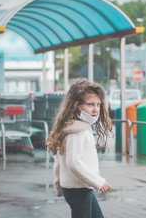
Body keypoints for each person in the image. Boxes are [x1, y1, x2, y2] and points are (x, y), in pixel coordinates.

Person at [46, 78, 113, 218]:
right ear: (76, 106)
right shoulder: (76, 132)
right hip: (78, 190)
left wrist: (59, 185)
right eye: (90, 104)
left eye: (98, 105)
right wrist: (98, 182)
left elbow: (59, 160)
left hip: (82, 187)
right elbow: (73, 163)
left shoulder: (77, 127)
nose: (95, 109)